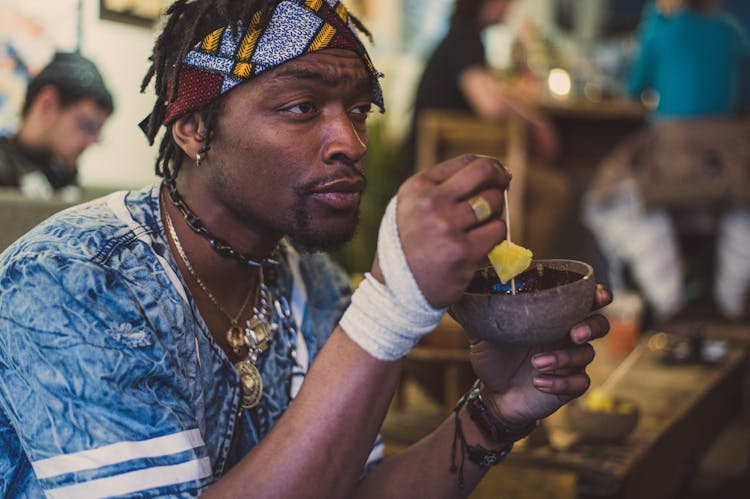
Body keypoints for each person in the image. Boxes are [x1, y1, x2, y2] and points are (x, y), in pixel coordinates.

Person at [0, 1, 611, 497]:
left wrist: (497, 412)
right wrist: (391, 309)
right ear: (192, 129)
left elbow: (343, 488)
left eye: (359, 110)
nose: (350, 140)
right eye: (301, 106)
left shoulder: (312, 284)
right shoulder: (72, 281)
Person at [582, 0, 750, 323]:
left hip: (674, 158)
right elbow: (742, 94)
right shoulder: (734, 31)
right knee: (741, 209)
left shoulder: (658, 31)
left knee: (607, 201)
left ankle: (669, 303)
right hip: (730, 161)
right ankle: (731, 305)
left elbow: (632, 89)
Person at [403, 0, 572, 258]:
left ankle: (511, 275)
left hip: (446, 158)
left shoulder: (462, 38)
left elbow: (492, 93)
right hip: (442, 162)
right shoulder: (464, 38)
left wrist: (530, 115)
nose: (510, 8)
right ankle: (522, 278)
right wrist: (537, 124)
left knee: (535, 185)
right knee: (553, 190)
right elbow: (490, 105)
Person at [0, 51, 113, 201]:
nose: (90, 142)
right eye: (86, 126)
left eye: (96, 132)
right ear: (47, 104)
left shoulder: (61, 173)